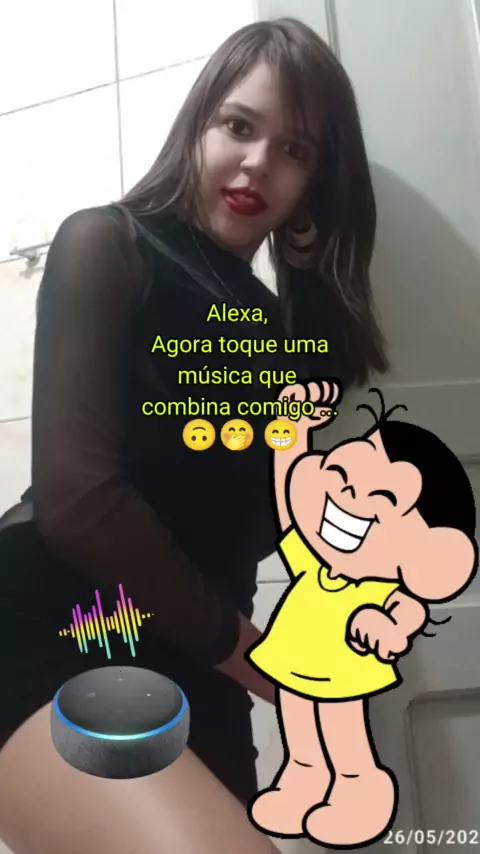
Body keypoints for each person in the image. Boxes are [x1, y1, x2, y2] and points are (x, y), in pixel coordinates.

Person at [0, 16, 388, 854]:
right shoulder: (109, 243)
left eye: (295, 151)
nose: (256, 165)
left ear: (319, 180)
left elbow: (257, 530)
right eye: (238, 127)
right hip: (61, 629)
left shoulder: (275, 330)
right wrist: (252, 656)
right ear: (198, 126)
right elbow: (80, 502)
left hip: (196, 662)